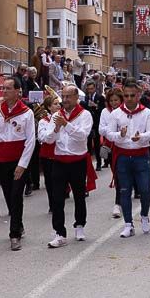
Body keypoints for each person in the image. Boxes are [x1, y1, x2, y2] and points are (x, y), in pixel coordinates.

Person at [39, 85, 94, 247]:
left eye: (69, 96)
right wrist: (56, 128)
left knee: (79, 195)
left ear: (77, 97)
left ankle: (79, 225)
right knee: (57, 198)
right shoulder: (56, 115)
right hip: (59, 160)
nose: (65, 100)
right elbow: (47, 140)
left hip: (78, 160)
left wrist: (66, 125)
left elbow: (82, 136)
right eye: (63, 96)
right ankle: (59, 232)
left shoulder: (85, 115)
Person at [0, 76, 36, 251]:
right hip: (2, 159)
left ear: (17, 91)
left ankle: (14, 234)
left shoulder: (27, 113)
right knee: (8, 195)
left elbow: (30, 141)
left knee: (16, 195)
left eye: (8, 88)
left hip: (19, 159)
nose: (4, 91)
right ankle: (19, 223)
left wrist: (22, 164)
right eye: (3, 88)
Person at [102, 79, 150, 238]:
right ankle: (128, 224)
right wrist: (121, 135)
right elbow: (109, 134)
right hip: (123, 156)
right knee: (124, 190)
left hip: (141, 155)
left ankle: (144, 215)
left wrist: (142, 137)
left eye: (133, 95)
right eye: (126, 95)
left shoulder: (147, 112)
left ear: (139, 95)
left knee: (145, 190)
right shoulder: (116, 113)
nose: (129, 98)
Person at [103, 88, 124, 218]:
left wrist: (113, 132)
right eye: (111, 101)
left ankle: (118, 203)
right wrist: (114, 132)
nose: (114, 103)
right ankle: (119, 200)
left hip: (123, 147)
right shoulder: (105, 112)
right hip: (110, 146)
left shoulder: (124, 112)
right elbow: (102, 129)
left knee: (121, 175)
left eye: (116, 100)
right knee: (116, 174)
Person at [83, 75, 107, 169]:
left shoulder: (100, 97)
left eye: (92, 89)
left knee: (97, 144)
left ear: (95, 88)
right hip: (89, 123)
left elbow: (103, 110)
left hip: (97, 122)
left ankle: (98, 163)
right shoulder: (85, 98)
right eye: (88, 89)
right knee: (88, 144)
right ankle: (88, 164)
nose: (90, 91)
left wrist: (95, 106)